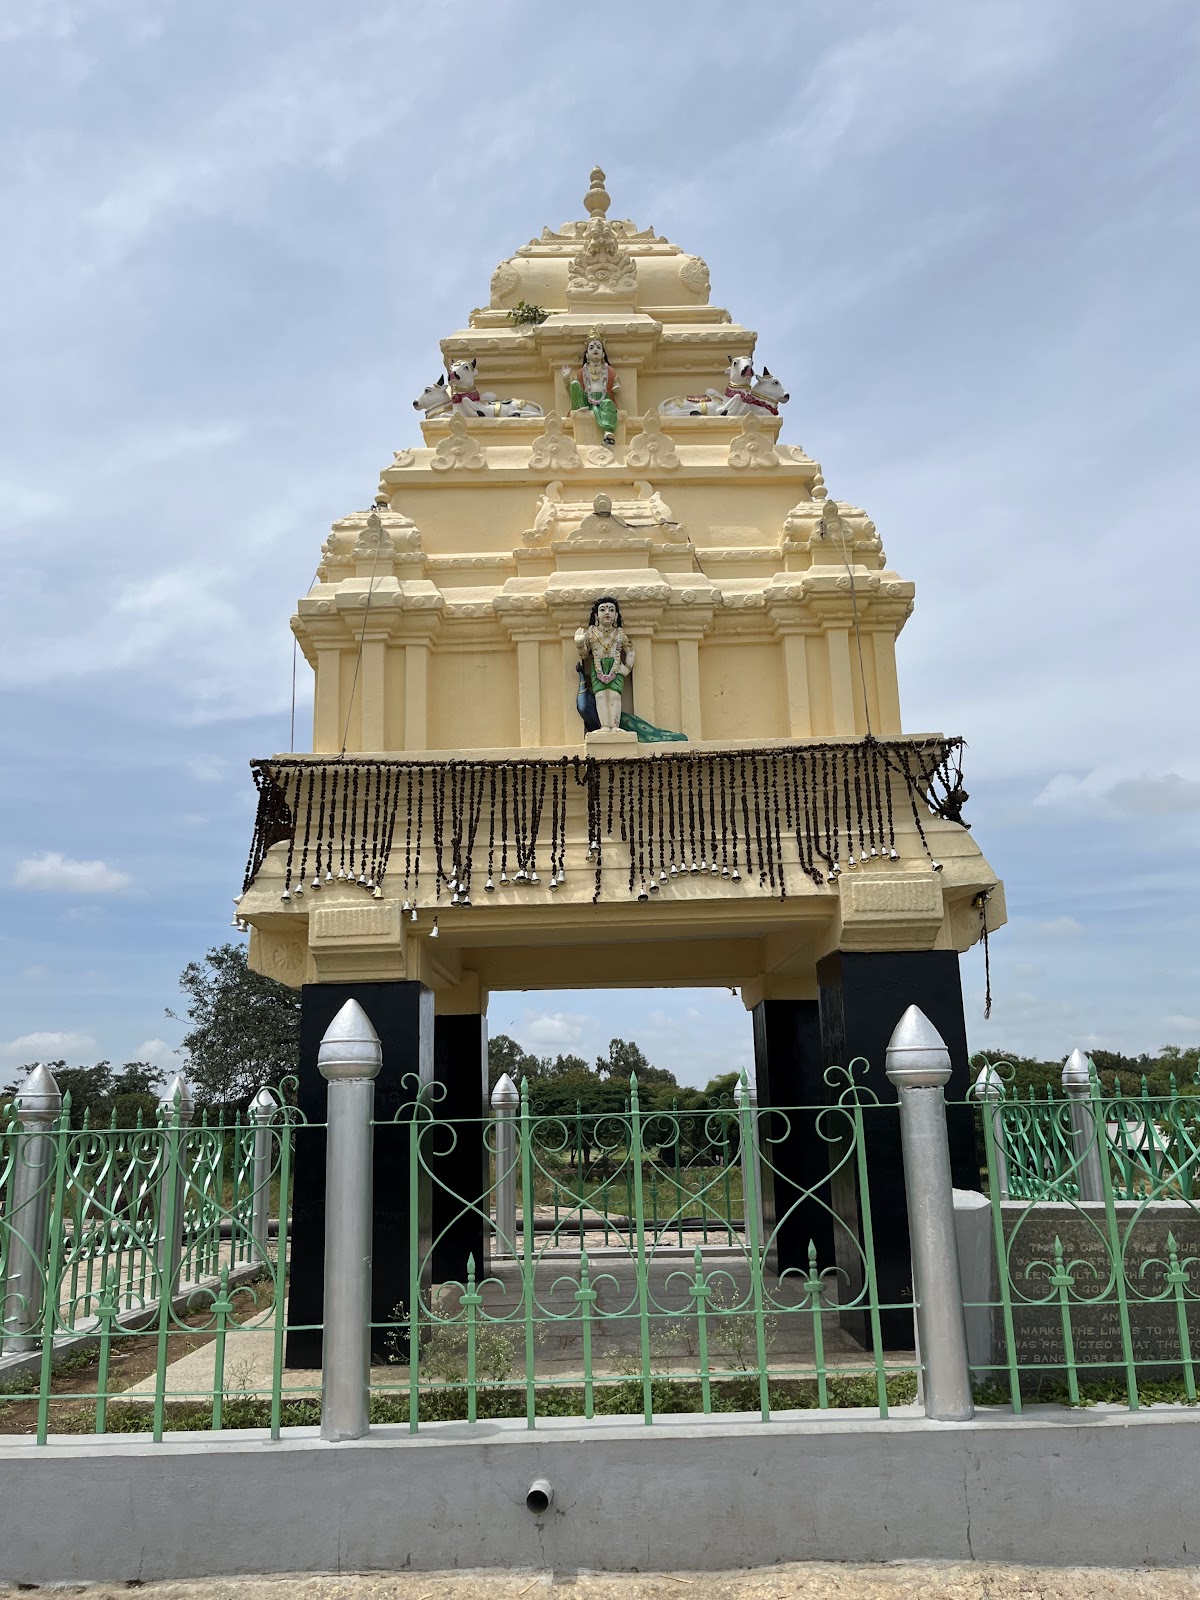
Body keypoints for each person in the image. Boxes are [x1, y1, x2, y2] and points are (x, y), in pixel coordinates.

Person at [574, 596, 634, 732]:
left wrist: (626, 669)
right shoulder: (591, 633)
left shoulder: (619, 634)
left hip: (616, 666)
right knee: (600, 695)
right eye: (603, 610)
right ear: (596, 615)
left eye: (611, 610)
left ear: (616, 615)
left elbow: (630, 651)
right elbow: (584, 654)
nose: (607, 612)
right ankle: (605, 726)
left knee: (615, 695)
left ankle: (615, 726)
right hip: (598, 666)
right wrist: (579, 644)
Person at [562, 335, 620, 446]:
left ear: (603, 354)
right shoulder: (581, 372)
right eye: (591, 347)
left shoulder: (609, 370)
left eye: (598, 347)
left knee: (608, 403)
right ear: (587, 355)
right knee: (574, 384)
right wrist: (566, 379)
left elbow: (616, 384)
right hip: (586, 399)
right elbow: (572, 391)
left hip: (603, 398)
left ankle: (608, 431)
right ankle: (579, 407)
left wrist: (616, 387)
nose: (595, 349)